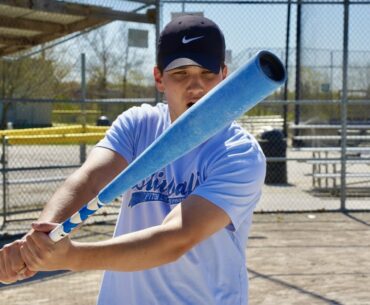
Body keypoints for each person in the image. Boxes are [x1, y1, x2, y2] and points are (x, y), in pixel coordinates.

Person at [0, 15, 266, 305]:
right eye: (180, 74)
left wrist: (73, 257)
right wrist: (40, 240)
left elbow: (177, 237)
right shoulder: (139, 125)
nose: (196, 86)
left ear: (225, 75)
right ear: (158, 78)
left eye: (207, 73)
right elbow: (89, 181)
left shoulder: (238, 153)